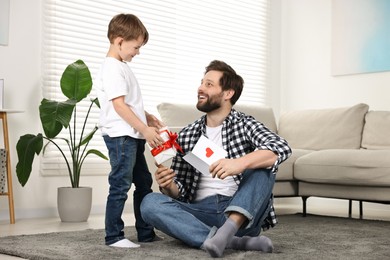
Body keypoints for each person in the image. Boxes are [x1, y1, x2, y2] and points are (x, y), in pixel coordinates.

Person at [141, 60, 292, 257]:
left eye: (209, 84)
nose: (200, 88)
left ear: (228, 93)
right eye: (202, 83)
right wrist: (169, 186)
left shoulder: (244, 124)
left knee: (265, 166)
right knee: (149, 203)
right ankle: (233, 241)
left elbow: (281, 147)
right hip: (201, 213)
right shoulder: (188, 134)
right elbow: (181, 189)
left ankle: (227, 232)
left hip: (242, 212)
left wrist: (239, 163)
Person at [95, 13, 165, 248]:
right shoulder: (113, 68)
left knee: (143, 182)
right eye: (136, 47)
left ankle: (145, 232)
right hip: (120, 136)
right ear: (119, 41)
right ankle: (113, 236)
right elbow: (119, 106)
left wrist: (148, 117)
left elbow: (129, 104)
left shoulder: (121, 67)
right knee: (121, 183)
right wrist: (145, 129)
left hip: (131, 134)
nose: (137, 52)